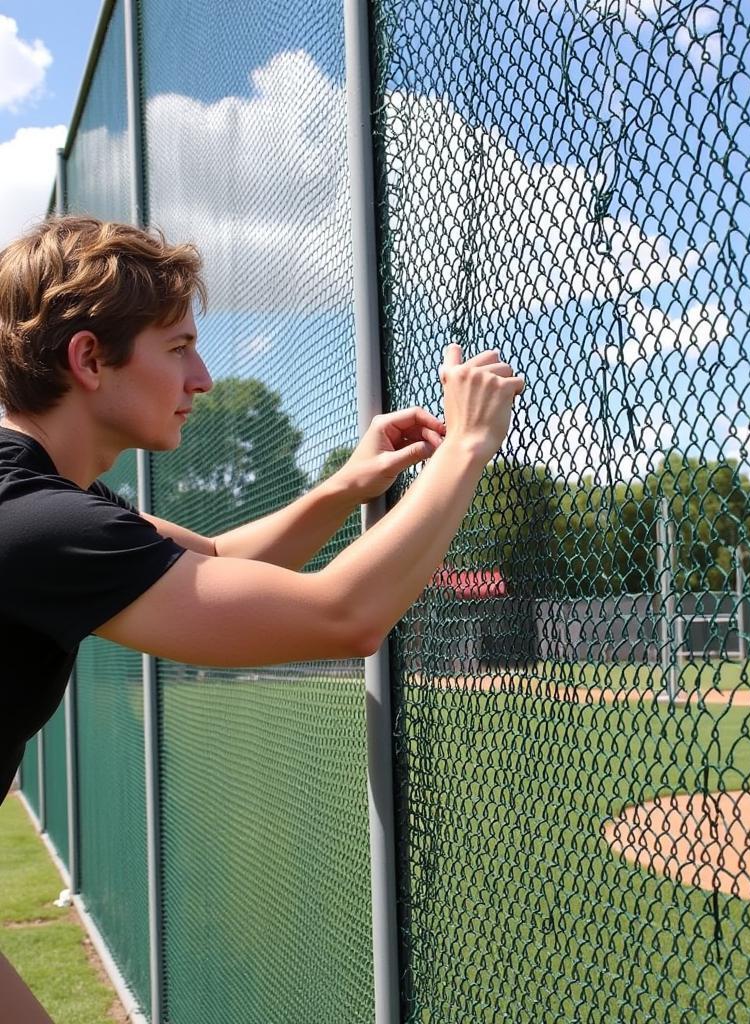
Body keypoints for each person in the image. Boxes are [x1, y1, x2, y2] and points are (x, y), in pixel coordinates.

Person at [0, 215, 524, 1021]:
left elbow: (213, 557)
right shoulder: (37, 525)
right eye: (178, 347)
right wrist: (465, 452)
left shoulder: (41, 500)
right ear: (89, 359)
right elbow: (344, 615)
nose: (202, 376)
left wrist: (346, 486)